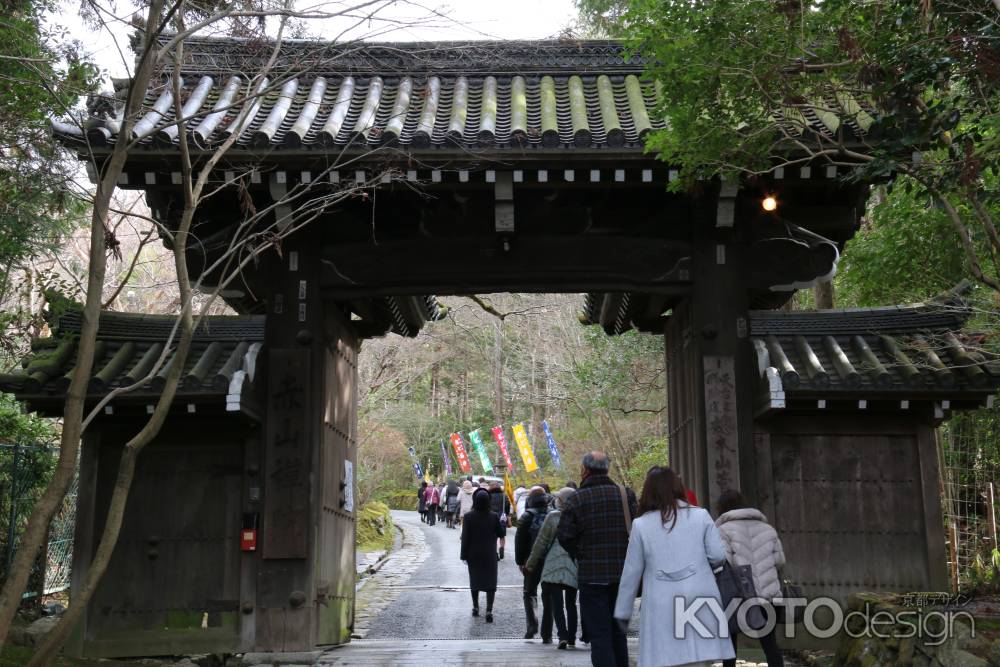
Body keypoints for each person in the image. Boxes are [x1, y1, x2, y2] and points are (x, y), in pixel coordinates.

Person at [614, 466, 735, 667]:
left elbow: (631, 573)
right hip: (700, 598)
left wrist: (623, 611)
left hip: (659, 603)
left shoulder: (641, 525)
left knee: (665, 658)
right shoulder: (701, 516)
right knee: (698, 658)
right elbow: (717, 556)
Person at [558, 451, 636, 667]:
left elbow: (564, 535)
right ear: (608, 469)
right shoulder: (625, 494)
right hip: (622, 575)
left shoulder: (576, 498)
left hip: (591, 576)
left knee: (600, 635)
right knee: (619, 633)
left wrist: (580, 553)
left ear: (584, 470)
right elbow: (638, 529)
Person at [716, 489, 786, 667]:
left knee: (730, 645)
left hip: (737, 596)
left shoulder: (723, 530)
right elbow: (780, 561)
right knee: (770, 645)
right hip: (767, 595)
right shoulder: (767, 529)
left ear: (722, 508)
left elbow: (724, 562)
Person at [525, 487, 579, 650]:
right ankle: (571, 638)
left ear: (560, 501)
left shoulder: (553, 516)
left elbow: (541, 542)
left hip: (553, 564)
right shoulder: (580, 517)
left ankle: (562, 635)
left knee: (557, 603)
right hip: (573, 564)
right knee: (571, 603)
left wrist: (530, 564)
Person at [460, 488, 506, 622]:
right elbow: (501, 533)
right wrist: (502, 523)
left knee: (475, 581)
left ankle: (475, 607)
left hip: (473, 554)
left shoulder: (468, 517)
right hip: (489, 554)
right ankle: (489, 610)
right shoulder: (494, 516)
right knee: (490, 582)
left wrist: (463, 555)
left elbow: (465, 537)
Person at [516, 486, 552, 642]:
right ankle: (547, 633)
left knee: (529, 593)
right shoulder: (553, 515)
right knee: (549, 594)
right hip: (550, 560)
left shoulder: (527, 516)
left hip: (531, 561)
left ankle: (532, 625)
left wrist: (520, 561)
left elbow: (520, 542)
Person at [488, 481, 511, 559]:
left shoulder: (488, 496)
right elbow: (508, 505)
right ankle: (502, 547)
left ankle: (495, 553)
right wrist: (507, 514)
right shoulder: (504, 496)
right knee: (502, 534)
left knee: (492, 535)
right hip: (502, 516)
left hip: (490, 516)